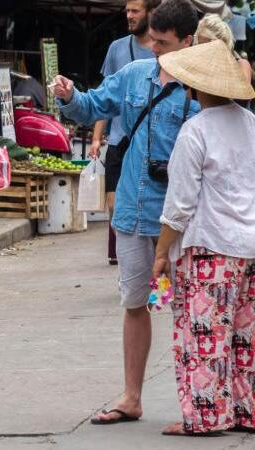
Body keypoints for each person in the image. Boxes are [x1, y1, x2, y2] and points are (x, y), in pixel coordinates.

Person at [51, 0, 199, 425]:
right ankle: (132, 396)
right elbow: (92, 106)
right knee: (137, 303)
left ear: (188, 41)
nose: (154, 47)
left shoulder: (204, 86)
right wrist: (68, 95)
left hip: (185, 220)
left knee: (192, 310)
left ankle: (198, 402)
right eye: (152, 39)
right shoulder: (136, 75)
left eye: (164, 42)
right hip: (135, 213)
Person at [150, 40, 255, 436]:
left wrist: (162, 252)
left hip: (212, 248)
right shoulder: (251, 124)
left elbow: (179, 205)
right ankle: (247, 412)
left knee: (205, 334)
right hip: (250, 247)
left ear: (192, 87)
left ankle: (207, 416)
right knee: (246, 336)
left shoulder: (194, 132)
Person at [91, 0, 160, 266]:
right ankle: (129, 259)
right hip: (120, 140)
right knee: (114, 205)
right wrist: (98, 137)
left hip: (152, 143)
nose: (129, 16)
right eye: (127, 11)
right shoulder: (116, 49)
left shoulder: (161, 49)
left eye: (135, 12)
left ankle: (149, 259)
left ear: (150, 13)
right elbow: (105, 98)